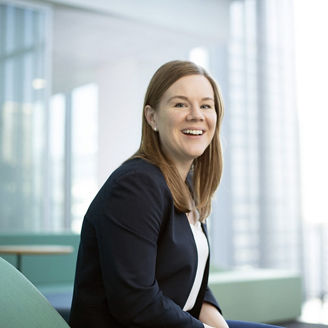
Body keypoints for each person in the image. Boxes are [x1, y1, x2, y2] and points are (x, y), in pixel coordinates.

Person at [69, 60, 283, 328]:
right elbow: (135, 303)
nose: (196, 115)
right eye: (180, 104)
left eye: (206, 105)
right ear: (152, 117)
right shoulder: (135, 186)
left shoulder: (186, 185)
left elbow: (190, 280)